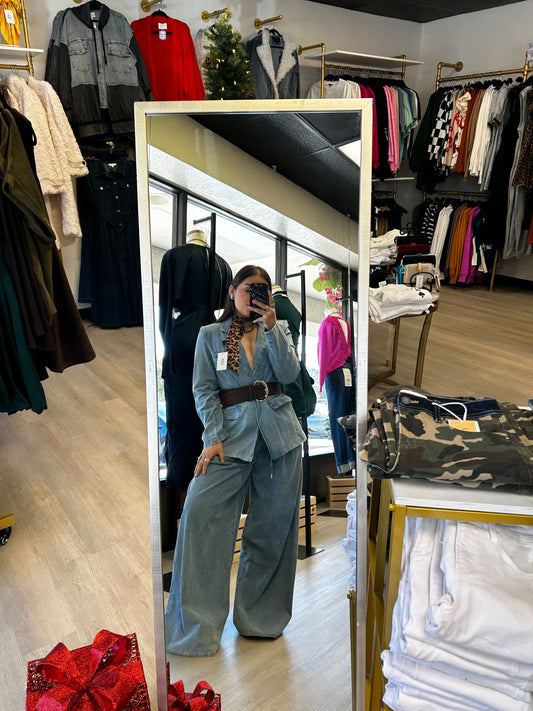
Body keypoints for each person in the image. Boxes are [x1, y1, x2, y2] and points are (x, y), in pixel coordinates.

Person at [165, 265, 307, 656]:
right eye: (248, 289)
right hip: (229, 438)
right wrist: (212, 437)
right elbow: (204, 390)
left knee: (272, 528)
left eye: (262, 290)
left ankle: (261, 619)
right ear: (231, 291)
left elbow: (290, 373)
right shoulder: (213, 335)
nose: (254, 296)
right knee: (200, 517)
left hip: (280, 435)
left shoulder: (277, 329)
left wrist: (272, 325)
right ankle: (196, 627)